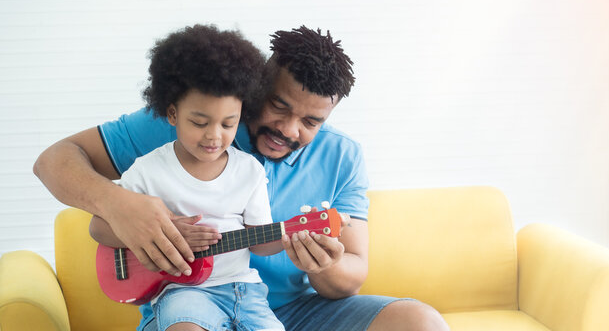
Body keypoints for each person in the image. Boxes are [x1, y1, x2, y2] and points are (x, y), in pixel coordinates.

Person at [34, 25, 450, 330]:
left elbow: (352, 274)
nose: (289, 129)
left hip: (286, 312)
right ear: (256, 86)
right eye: (278, 106)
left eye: (310, 121)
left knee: (421, 322)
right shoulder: (188, 124)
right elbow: (54, 161)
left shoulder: (343, 157)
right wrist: (120, 207)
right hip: (190, 302)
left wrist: (325, 265)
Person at [87, 24, 286, 331]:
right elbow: (99, 227)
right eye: (199, 122)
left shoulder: (249, 171)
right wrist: (161, 234)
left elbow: (260, 242)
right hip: (180, 291)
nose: (214, 136)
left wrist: (292, 238)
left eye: (228, 124)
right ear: (172, 114)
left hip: (244, 292)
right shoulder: (148, 170)